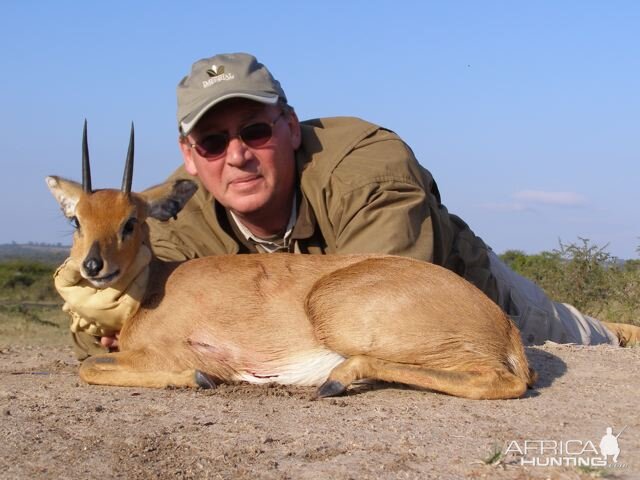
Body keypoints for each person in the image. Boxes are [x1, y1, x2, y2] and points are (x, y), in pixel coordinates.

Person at [57, 52, 637, 359]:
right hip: (346, 315)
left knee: (580, 339)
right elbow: (106, 312)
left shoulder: (363, 169)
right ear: (189, 156)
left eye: (255, 130)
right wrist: (110, 323)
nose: (236, 156)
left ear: (288, 125)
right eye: (212, 142)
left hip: (463, 295)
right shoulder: (164, 214)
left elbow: (389, 296)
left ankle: (617, 333)